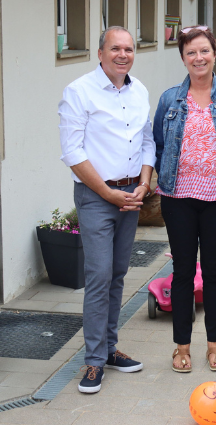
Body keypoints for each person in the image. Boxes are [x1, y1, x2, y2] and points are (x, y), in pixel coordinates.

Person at [153, 26, 216, 373]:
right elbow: (160, 145)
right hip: (177, 197)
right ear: (183, 58)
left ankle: (214, 343)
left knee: (213, 270)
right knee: (182, 271)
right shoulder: (169, 99)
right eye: (191, 53)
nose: (198, 58)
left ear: (214, 54)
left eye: (204, 51)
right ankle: (181, 346)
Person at [58, 26, 153, 394]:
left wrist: (144, 184)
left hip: (132, 194)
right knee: (98, 276)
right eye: (115, 48)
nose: (123, 54)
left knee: (117, 273)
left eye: (129, 49)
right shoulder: (79, 92)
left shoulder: (140, 90)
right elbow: (73, 153)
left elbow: (147, 141)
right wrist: (110, 194)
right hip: (98, 197)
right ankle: (94, 362)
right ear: (100, 53)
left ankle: (110, 349)